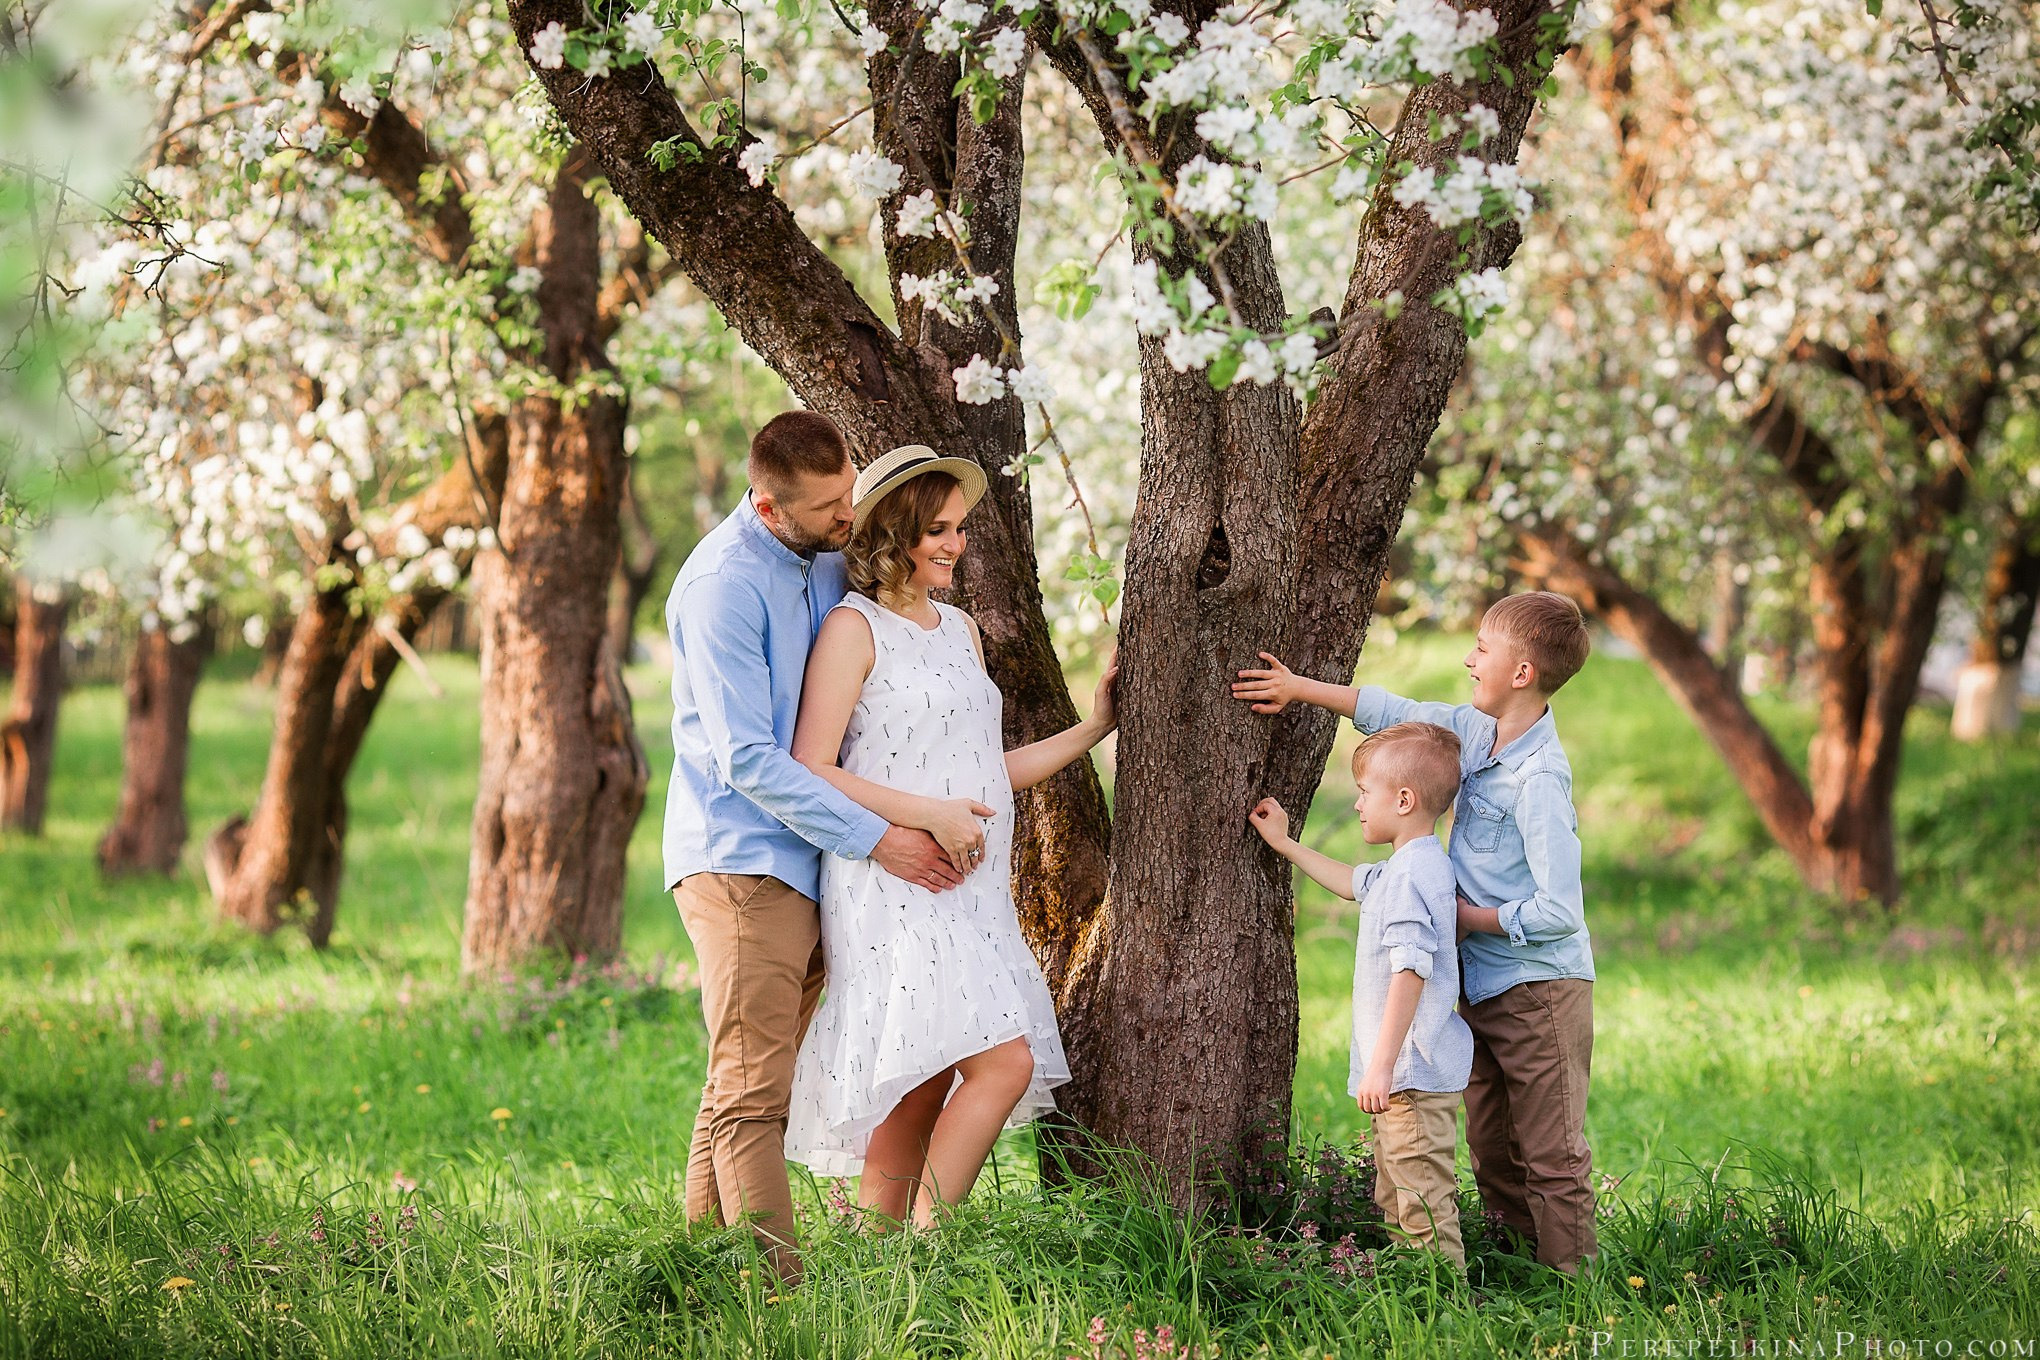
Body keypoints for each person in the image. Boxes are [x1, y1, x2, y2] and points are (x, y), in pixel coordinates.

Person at [664, 411, 970, 1286]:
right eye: (832, 506)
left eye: (851, 491)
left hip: (808, 862)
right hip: (740, 861)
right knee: (755, 1093)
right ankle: (780, 1296)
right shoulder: (723, 586)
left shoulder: (824, 557)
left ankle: (699, 1269)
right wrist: (882, 839)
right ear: (766, 504)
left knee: (743, 1082)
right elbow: (748, 758)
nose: (851, 516)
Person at [784, 444, 1118, 1229]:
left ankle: (877, 1254)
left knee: (924, 1075)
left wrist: (1097, 727)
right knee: (1005, 1062)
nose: (953, 545)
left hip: (973, 888)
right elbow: (812, 764)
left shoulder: (961, 629)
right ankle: (934, 1243)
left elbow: (985, 772)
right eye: (936, 529)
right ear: (893, 533)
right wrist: (925, 814)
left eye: (958, 529)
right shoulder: (851, 628)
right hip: (894, 880)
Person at [1230, 591, 1598, 1272]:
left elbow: (1558, 912)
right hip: (1476, 985)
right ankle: (1517, 1268)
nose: (1468, 658)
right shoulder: (1471, 732)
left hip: (1539, 988)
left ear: (1522, 673)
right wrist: (1297, 688)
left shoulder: (1539, 778)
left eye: (1483, 650)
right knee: (1493, 1147)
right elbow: (1394, 715)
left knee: (1551, 1151)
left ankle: (1574, 1291)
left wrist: (1460, 918)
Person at [1249, 722, 1474, 1270]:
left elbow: (1410, 971)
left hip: (1408, 1077)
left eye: (1365, 792)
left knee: (1421, 1202)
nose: (1356, 805)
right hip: (1405, 1078)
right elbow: (1353, 882)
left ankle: (1445, 1308)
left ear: (1404, 799)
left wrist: (1380, 1066)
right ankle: (1413, 1297)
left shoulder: (1412, 876)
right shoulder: (1411, 867)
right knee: (1395, 1196)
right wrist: (1285, 844)